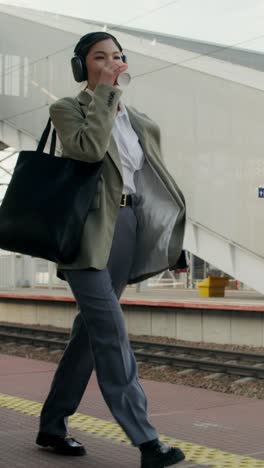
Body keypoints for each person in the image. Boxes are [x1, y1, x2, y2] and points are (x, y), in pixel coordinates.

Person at [36, 31, 186, 467]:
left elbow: (149, 183)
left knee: (89, 337)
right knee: (111, 333)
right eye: (99, 57)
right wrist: (104, 95)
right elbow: (86, 152)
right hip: (85, 232)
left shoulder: (138, 119)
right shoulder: (68, 108)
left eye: (116, 56)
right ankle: (146, 442)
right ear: (82, 67)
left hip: (126, 227)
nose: (110, 62)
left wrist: (168, 236)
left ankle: (51, 424)